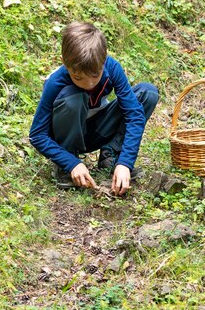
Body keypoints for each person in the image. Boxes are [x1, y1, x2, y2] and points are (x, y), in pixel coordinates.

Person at [29, 22, 159, 196]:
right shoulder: (55, 82)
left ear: (103, 60)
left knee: (148, 93)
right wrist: (70, 162)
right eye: (78, 77)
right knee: (73, 97)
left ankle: (111, 155)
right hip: (67, 133)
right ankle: (66, 164)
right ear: (65, 64)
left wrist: (125, 163)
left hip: (96, 130)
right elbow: (37, 135)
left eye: (95, 76)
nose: (89, 84)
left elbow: (134, 115)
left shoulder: (112, 68)